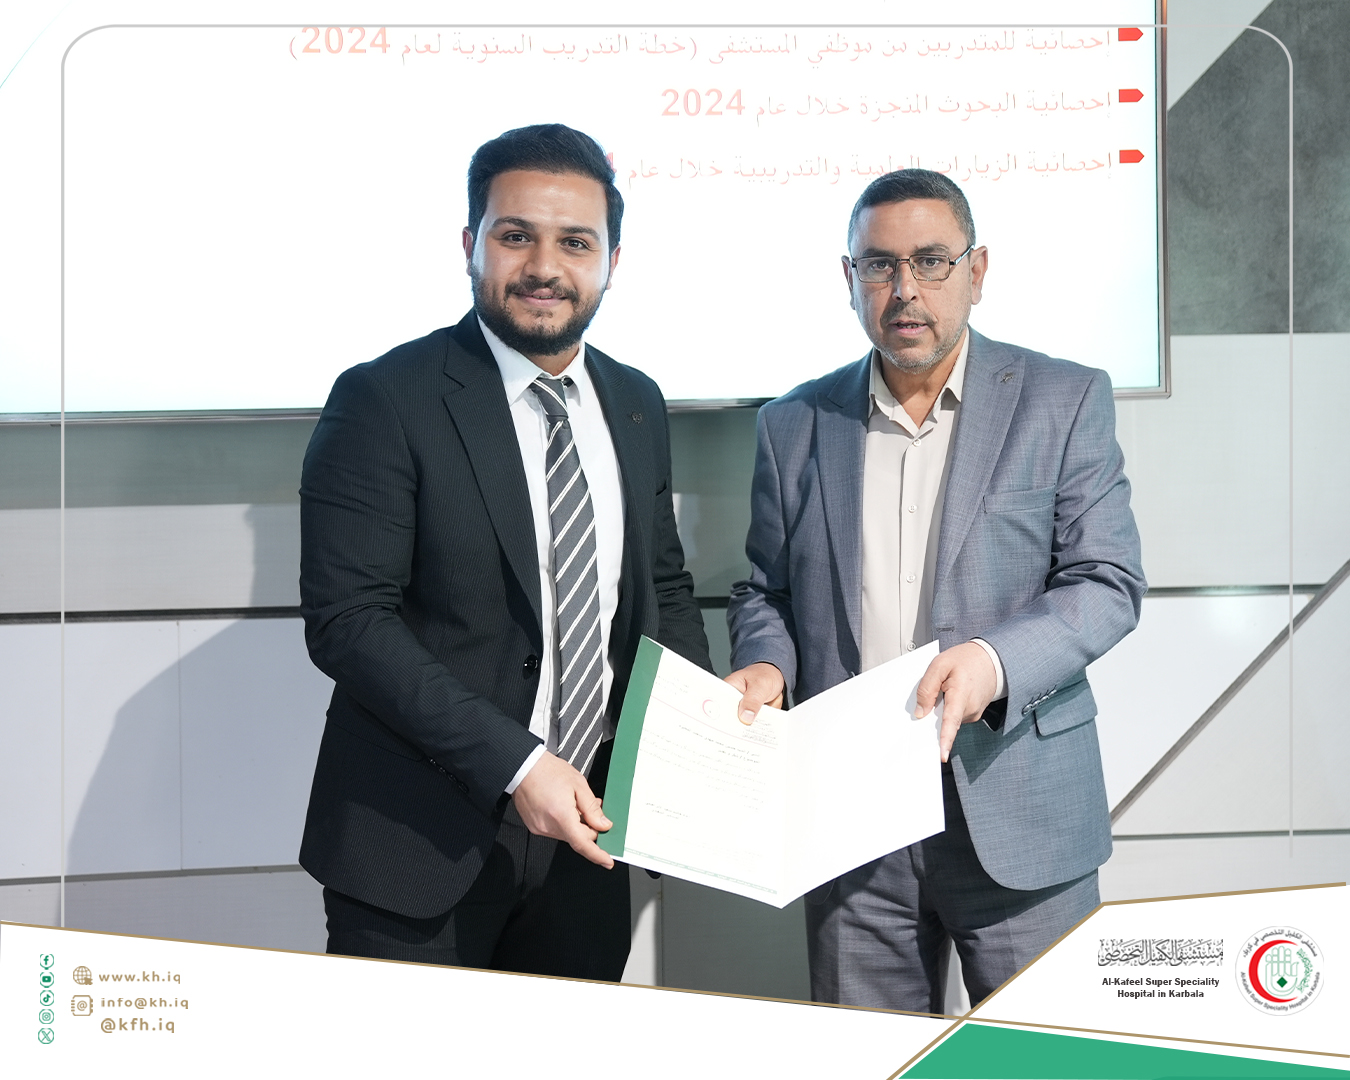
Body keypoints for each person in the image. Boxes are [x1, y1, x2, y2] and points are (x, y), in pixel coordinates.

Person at [724, 169, 1145, 1012]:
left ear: (976, 271)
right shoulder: (792, 423)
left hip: (1017, 799)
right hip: (852, 821)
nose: (905, 289)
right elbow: (764, 589)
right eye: (879, 265)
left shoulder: (1063, 399)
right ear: (850, 279)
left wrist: (994, 660)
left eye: (930, 261)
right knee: (870, 1061)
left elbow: (1108, 580)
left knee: (1045, 1061)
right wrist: (767, 663)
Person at [298, 123, 710, 979]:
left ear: (612, 261)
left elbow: (661, 588)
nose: (544, 268)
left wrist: (700, 725)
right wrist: (519, 765)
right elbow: (350, 623)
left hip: (589, 837)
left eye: (576, 243)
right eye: (516, 236)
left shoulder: (635, 401)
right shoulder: (384, 397)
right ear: (470, 245)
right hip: (417, 839)